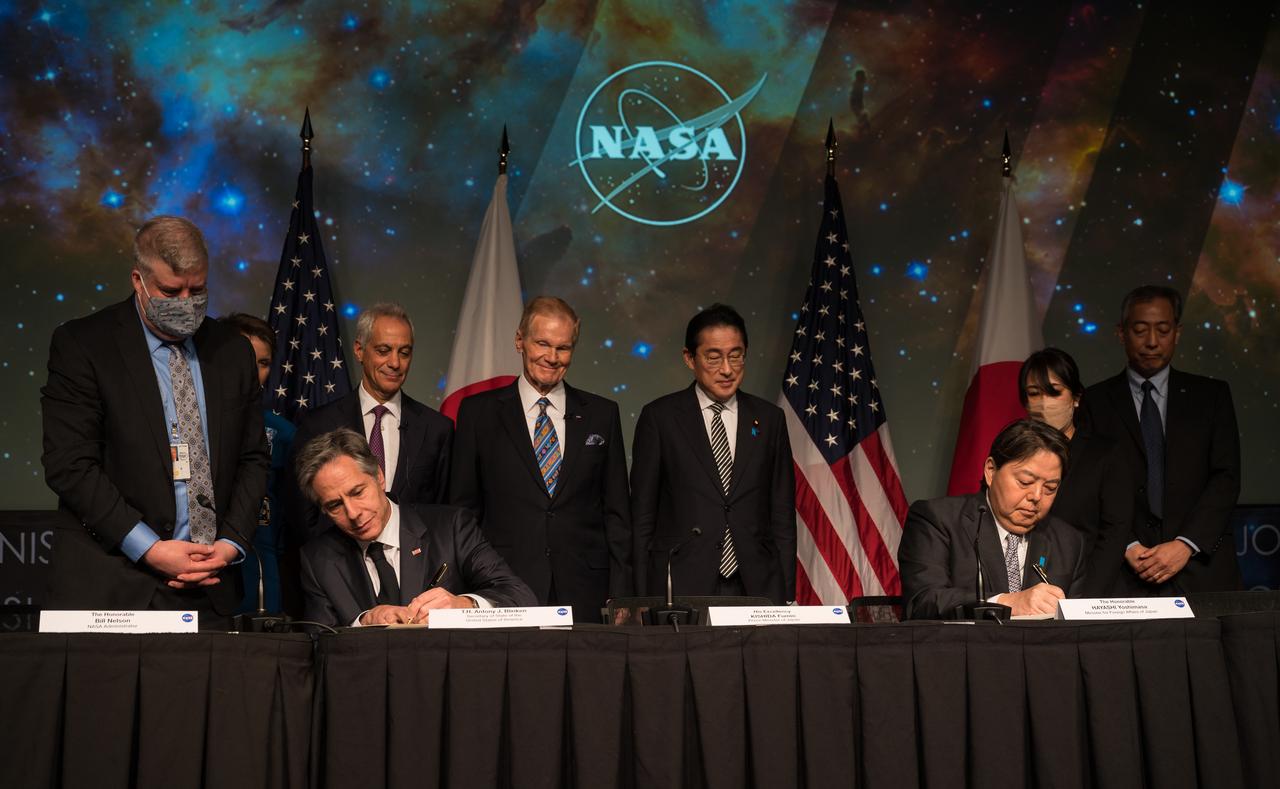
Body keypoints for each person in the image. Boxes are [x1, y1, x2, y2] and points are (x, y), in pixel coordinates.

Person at [40, 216, 269, 626]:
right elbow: (70, 465)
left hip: (210, 584)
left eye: (196, 291)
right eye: (170, 290)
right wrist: (149, 548)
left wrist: (230, 543)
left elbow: (253, 457)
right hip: (112, 586)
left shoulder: (233, 352)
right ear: (138, 280)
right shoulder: (83, 345)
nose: (185, 301)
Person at [450, 297, 631, 622]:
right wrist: (468, 586)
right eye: (543, 343)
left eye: (563, 348)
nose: (552, 357)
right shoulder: (478, 413)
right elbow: (464, 512)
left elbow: (616, 512)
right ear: (520, 341)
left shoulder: (603, 415)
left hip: (586, 589)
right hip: (503, 586)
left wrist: (621, 593)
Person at [1079, 285, 1241, 593]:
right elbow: (1089, 484)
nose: (1152, 342)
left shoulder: (1212, 396)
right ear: (1121, 333)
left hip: (1201, 569)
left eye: (1163, 330)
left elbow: (1227, 477)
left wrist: (1185, 545)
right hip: (1124, 571)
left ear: (1177, 333)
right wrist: (1127, 545)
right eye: (1140, 330)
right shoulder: (1095, 401)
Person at [630, 304, 796, 603]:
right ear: (689, 358)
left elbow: (782, 514)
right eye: (714, 357)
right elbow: (643, 516)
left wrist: (785, 593)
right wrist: (642, 598)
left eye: (736, 355)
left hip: (757, 582)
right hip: (683, 581)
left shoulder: (770, 419)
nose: (727, 369)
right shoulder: (660, 418)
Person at [295, 428, 535, 627]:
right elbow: (318, 644)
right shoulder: (318, 559)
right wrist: (363, 621)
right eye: (335, 505)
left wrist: (464, 606)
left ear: (379, 476)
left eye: (358, 492)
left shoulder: (450, 527)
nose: (354, 513)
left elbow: (521, 597)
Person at [289, 302, 453, 540]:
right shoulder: (317, 425)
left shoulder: (437, 429)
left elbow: (442, 515)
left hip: (415, 568)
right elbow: (303, 517)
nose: (395, 363)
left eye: (404, 352)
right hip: (340, 567)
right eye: (383, 350)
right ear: (359, 350)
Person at [899, 419, 1086, 619]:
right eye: (1025, 482)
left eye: (1050, 488)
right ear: (990, 471)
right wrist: (1008, 602)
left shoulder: (1068, 541)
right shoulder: (938, 520)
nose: (1037, 496)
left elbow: (1075, 627)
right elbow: (923, 601)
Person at [1019, 348, 1135, 596]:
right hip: (1025, 592)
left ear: (1076, 397)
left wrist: (1082, 600)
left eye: (1054, 392)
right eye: (1033, 393)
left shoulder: (1106, 454)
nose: (1043, 403)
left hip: (1091, 592)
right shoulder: (1012, 456)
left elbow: (1114, 535)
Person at [222, 313, 295, 614]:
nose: (254, 372)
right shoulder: (186, 425)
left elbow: (292, 517)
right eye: (245, 359)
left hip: (263, 569)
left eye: (263, 364)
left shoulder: (282, 433)